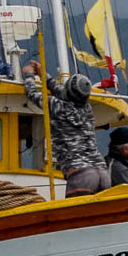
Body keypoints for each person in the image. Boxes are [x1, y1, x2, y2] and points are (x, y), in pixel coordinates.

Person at [34, 66, 109, 195]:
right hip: (102, 172)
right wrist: (44, 75)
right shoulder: (88, 109)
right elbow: (64, 94)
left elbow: (31, 93)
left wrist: (29, 75)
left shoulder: (57, 106)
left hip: (80, 173)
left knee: (76, 208)